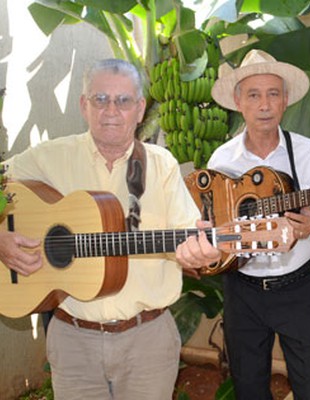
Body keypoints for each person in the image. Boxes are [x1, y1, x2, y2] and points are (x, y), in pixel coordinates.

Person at [0, 58, 221, 399]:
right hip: (72, 342)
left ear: (140, 108)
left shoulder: (160, 165)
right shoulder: (49, 158)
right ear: (83, 105)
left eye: (123, 100)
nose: (111, 111)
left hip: (147, 341)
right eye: (100, 99)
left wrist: (200, 253)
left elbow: (187, 232)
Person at [208, 49, 310, 399]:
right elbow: (211, 224)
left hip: (299, 289)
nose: (264, 104)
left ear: (285, 101)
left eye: (272, 94)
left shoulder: (308, 153)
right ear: (239, 102)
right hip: (242, 292)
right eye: (253, 95)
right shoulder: (222, 160)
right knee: (249, 388)